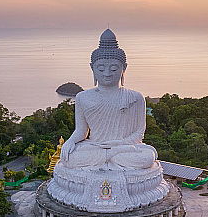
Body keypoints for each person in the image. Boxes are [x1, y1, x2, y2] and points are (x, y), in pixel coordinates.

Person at [59, 29, 157, 170]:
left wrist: (116, 146)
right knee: (68, 157)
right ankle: (109, 159)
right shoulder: (82, 97)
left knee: (147, 157)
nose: (107, 73)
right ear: (92, 68)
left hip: (123, 148)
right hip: (95, 147)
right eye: (100, 68)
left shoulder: (136, 97)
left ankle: (108, 158)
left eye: (113, 69)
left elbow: (139, 133)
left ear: (124, 68)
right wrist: (70, 142)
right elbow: (81, 131)